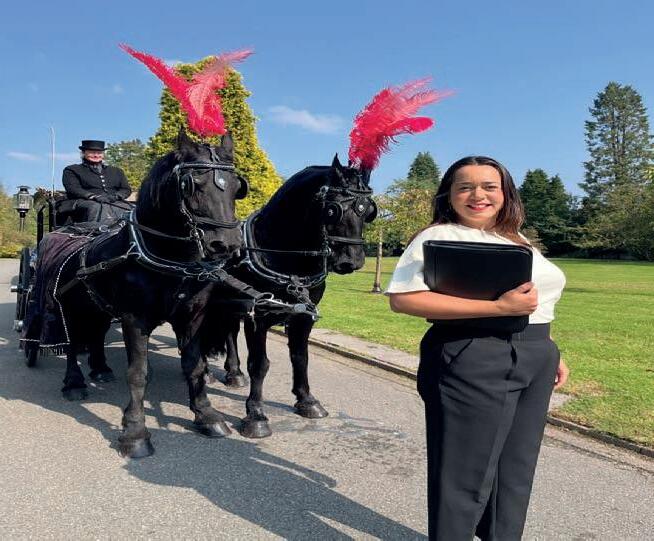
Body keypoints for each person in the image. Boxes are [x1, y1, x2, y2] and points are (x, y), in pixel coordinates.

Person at [386, 156, 569, 540]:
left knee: (515, 469)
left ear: (505, 193)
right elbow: (403, 299)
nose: (477, 195)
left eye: (489, 186)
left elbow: (537, 300)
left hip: (535, 353)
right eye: (465, 187)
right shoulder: (439, 236)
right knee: (463, 475)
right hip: (474, 353)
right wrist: (499, 309)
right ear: (449, 195)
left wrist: (549, 347)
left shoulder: (516, 239)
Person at [60, 139, 132, 223]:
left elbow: (125, 189)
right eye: (92, 152)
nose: (96, 155)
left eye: (99, 153)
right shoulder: (72, 170)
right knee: (96, 207)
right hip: (84, 201)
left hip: (113, 201)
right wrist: (93, 196)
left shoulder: (117, 171)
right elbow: (73, 188)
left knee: (129, 208)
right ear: (83, 153)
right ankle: (96, 229)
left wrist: (116, 196)